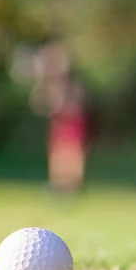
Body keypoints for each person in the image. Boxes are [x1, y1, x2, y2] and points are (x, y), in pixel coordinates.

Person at [29, 40, 92, 196]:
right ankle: (59, 183)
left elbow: (77, 104)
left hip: (72, 121)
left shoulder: (73, 85)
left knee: (72, 152)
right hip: (60, 122)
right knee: (57, 152)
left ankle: (73, 184)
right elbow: (40, 104)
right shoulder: (51, 84)